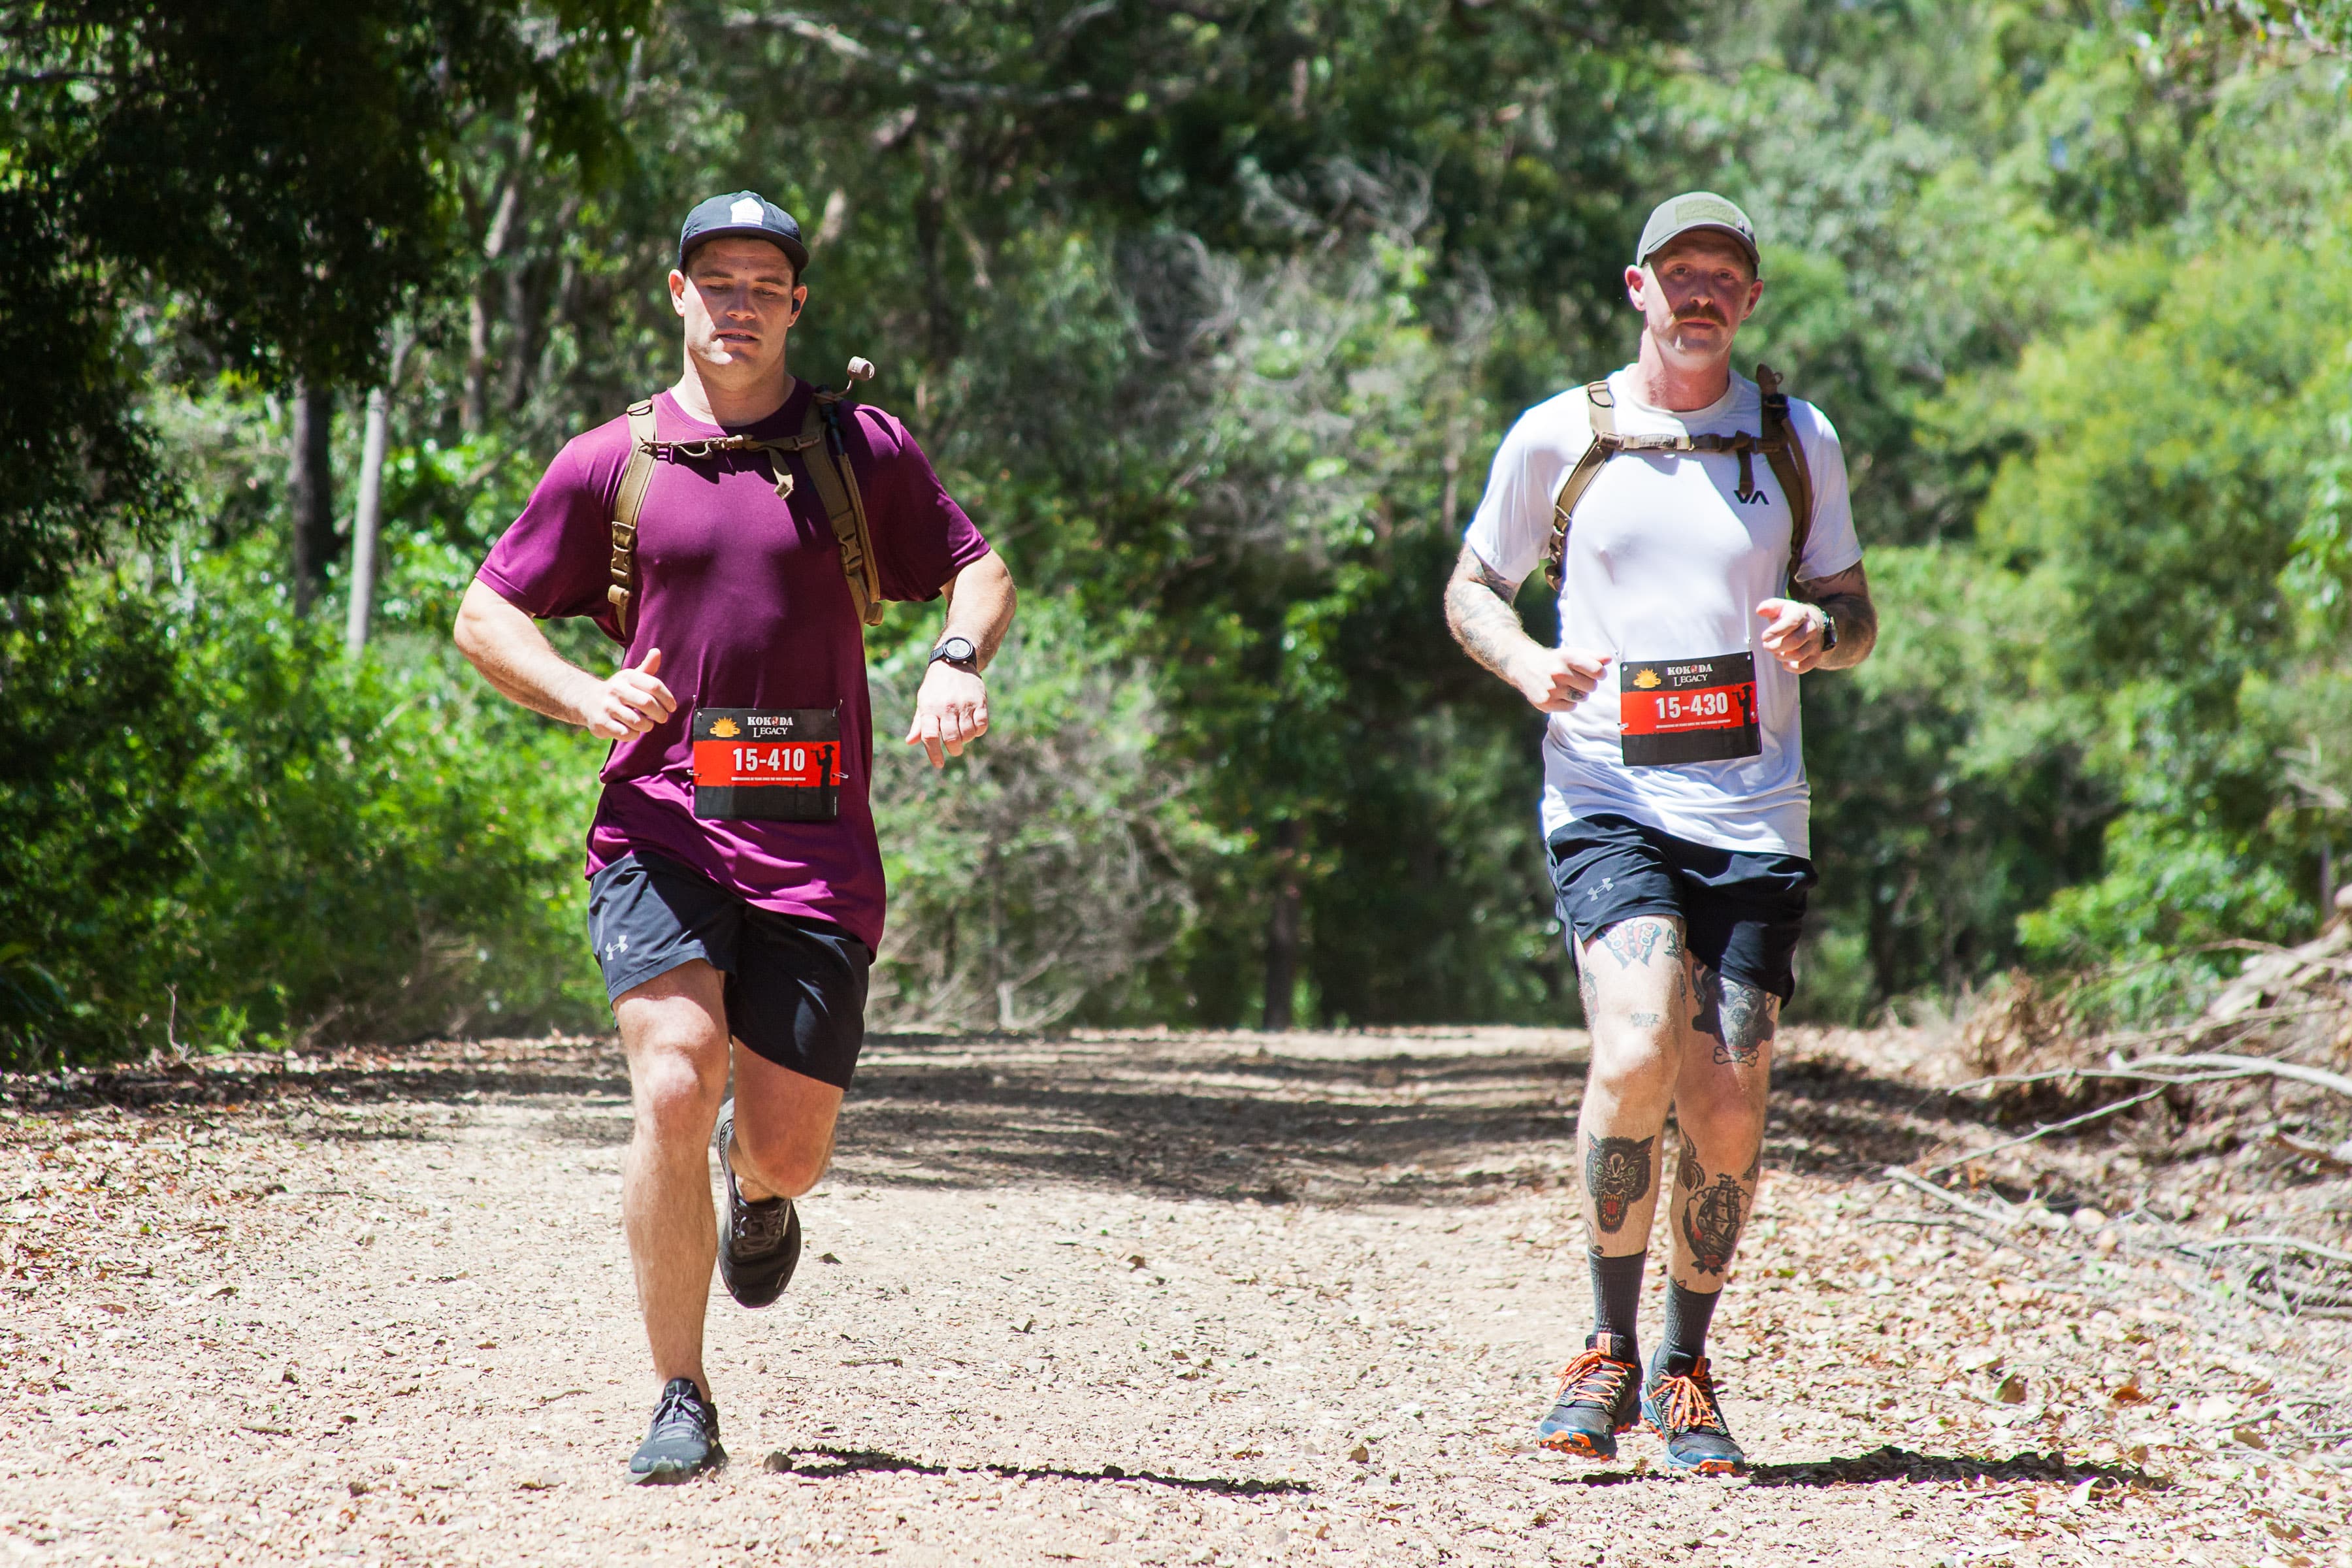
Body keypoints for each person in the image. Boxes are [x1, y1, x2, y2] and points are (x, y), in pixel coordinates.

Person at [454, 191, 1015, 1482]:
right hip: (660, 828)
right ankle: (678, 1394)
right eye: (718, 282)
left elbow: (979, 567)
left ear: (797, 305)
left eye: (765, 283)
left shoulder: (858, 448)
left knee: (789, 1146)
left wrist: (952, 658)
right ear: (677, 295)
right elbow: (486, 614)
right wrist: (585, 696)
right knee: (671, 1078)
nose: (740, 303)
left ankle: (756, 1198)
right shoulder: (616, 460)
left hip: (817, 845)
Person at [1442, 191, 1878, 1474]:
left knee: (1727, 1100)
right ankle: (1602, 1351)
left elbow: (1854, 608)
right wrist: (1527, 663)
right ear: (1638, 287)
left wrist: (1821, 635)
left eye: (1723, 278)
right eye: (1679, 273)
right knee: (1637, 1046)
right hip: (1611, 796)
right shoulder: (1561, 438)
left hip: (1754, 813)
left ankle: (1684, 1369)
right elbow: (1475, 587)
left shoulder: (1797, 438)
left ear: (1748, 301)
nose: (1700, 294)